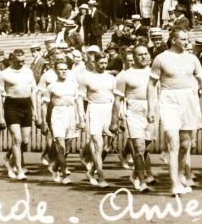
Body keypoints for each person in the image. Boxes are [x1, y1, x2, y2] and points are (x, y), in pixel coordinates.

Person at [147, 28, 202, 196]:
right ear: (174, 40)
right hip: (169, 100)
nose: (187, 42)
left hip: (189, 100)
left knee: (185, 145)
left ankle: (180, 176)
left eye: (187, 39)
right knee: (172, 141)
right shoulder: (161, 58)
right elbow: (151, 84)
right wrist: (150, 107)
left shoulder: (192, 59)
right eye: (183, 39)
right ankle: (174, 184)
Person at [113, 44, 157, 191]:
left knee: (145, 148)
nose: (144, 57)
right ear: (134, 57)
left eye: (146, 54)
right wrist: (114, 121)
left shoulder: (155, 73)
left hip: (152, 111)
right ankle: (142, 181)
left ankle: (135, 174)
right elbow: (118, 100)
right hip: (134, 111)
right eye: (140, 54)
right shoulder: (125, 75)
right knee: (139, 148)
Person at [77, 52, 117, 186]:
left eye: (105, 63)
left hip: (109, 110)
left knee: (106, 147)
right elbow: (79, 98)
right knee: (98, 144)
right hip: (94, 110)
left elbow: (116, 98)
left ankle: (92, 171)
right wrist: (81, 117)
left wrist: (118, 115)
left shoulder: (111, 78)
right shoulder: (85, 77)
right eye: (101, 63)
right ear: (94, 62)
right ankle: (101, 177)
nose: (103, 66)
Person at [42, 61, 85, 184]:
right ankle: (64, 174)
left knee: (67, 148)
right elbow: (44, 105)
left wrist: (81, 119)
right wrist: (44, 122)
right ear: (56, 71)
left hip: (71, 114)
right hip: (57, 114)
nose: (63, 71)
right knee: (60, 145)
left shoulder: (73, 85)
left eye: (65, 69)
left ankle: (55, 167)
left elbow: (78, 102)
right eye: (60, 69)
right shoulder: (51, 86)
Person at [0, 49, 36, 181]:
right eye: (18, 61)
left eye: (23, 61)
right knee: (17, 139)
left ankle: (8, 158)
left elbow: (33, 92)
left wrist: (35, 109)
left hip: (26, 105)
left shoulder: (28, 71)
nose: (21, 63)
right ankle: (19, 169)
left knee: (25, 141)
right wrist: (0, 116)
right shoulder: (4, 74)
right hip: (11, 106)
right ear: (12, 59)